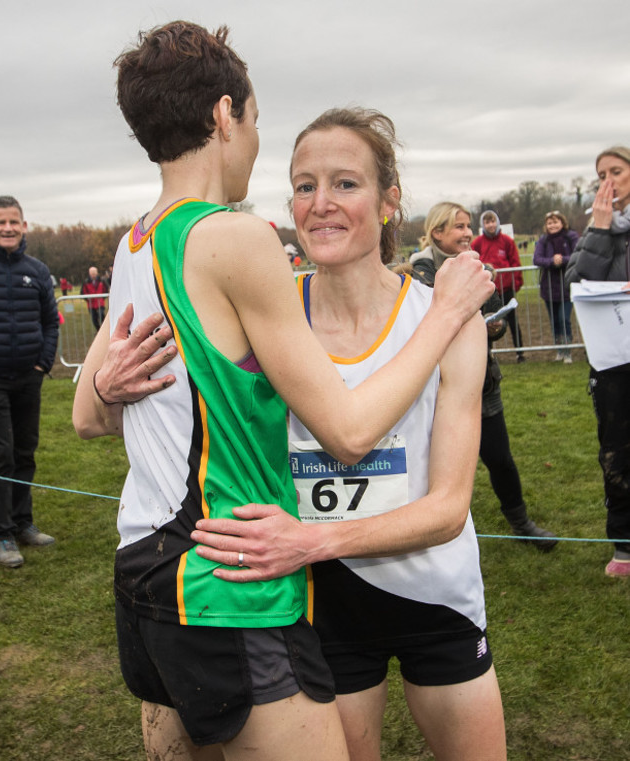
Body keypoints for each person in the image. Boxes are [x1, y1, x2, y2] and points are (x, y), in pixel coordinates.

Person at [72, 23, 494, 761]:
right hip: (224, 576)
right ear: (226, 115)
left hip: (143, 569)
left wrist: (106, 383)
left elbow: (85, 414)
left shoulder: (134, 240)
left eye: (346, 183)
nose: (316, 200)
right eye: (260, 124)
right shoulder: (234, 238)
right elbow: (351, 432)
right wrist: (452, 309)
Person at [187, 110, 508, 760]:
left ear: (390, 202)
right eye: (305, 186)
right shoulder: (266, 321)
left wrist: (310, 538)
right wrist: (108, 389)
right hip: (325, 602)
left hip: (435, 595)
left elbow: (449, 509)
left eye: (345, 184)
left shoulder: (448, 318)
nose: (321, 204)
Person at [410, 202, 557, 551]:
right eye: (458, 227)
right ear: (436, 233)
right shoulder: (417, 273)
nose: (466, 233)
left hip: (481, 383)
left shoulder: (480, 267)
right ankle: (427, 532)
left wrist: (495, 325)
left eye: (467, 226)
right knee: (429, 467)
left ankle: (522, 523)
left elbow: (493, 313)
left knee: (501, 459)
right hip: (431, 388)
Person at [0, 196, 58, 568]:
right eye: (0, 222)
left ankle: (23, 523)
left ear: (24, 226)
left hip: (29, 377)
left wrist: (43, 364)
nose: (7, 228)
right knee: (0, 455)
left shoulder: (37, 270)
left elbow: (50, 321)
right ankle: (2, 534)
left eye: (14, 221)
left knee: (25, 452)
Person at [565, 145, 630, 578]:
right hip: (613, 364)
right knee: (617, 454)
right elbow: (576, 281)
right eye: (601, 174)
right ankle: (624, 546)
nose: (608, 181)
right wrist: (601, 229)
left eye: (617, 172)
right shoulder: (597, 229)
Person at [472, 210, 525, 362]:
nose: (491, 225)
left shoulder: (507, 241)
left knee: (513, 321)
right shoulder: (477, 243)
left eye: (493, 221)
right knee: (487, 322)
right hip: (486, 291)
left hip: (506, 289)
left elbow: (515, 263)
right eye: (487, 222)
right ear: (483, 225)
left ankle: (520, 352)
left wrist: (515, 284)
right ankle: (487, 353)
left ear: (498, 222)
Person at [533, 212, 579, 363]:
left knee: (564, 318)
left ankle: (567, 351)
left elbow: (578, 255)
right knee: (554, 321)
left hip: (567, 285)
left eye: (555, 222)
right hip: (549, 287)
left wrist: (563, 260)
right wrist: (552, 261)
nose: (552, 225)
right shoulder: (543, 240)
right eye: (549, 223)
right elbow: (537, 259)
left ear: (562, 222)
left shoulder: (571, 237)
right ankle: (559, 349)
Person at [80, 266, 108, 331]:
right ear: (89, 274)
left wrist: (102, 298)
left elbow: (106, 290)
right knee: (94, 319)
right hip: (91, 304)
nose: (93, 275)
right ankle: (98, 330)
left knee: (101, 315)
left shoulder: (102, 280)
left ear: (97, 273)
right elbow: (83, 292)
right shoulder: (86, 282)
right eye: (92, 274)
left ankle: (104, 330)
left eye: (94, 273)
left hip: (100, 302)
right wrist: (88, 299)